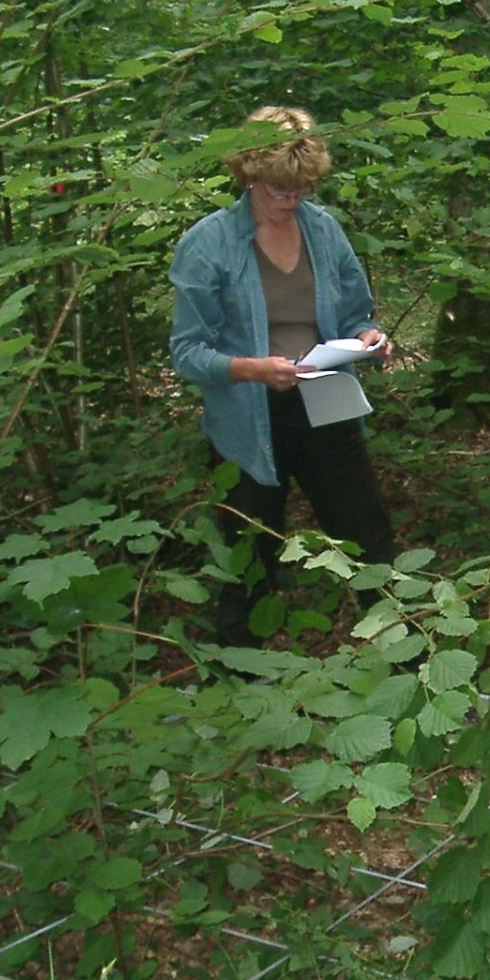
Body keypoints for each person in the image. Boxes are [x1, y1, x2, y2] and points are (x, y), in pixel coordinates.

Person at [169, 105, 398, 648]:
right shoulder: (210, 244)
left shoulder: (324, 231)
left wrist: (369, 338)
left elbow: (357, 315)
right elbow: (187, 353)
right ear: (249, 175)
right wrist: (253, 369)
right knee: (250, 555)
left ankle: (409, 664)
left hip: (328, 401)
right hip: (248, 418)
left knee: (369, 539)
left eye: (301, 188)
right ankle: (236, 682)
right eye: (278, 188)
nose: (290, 199)